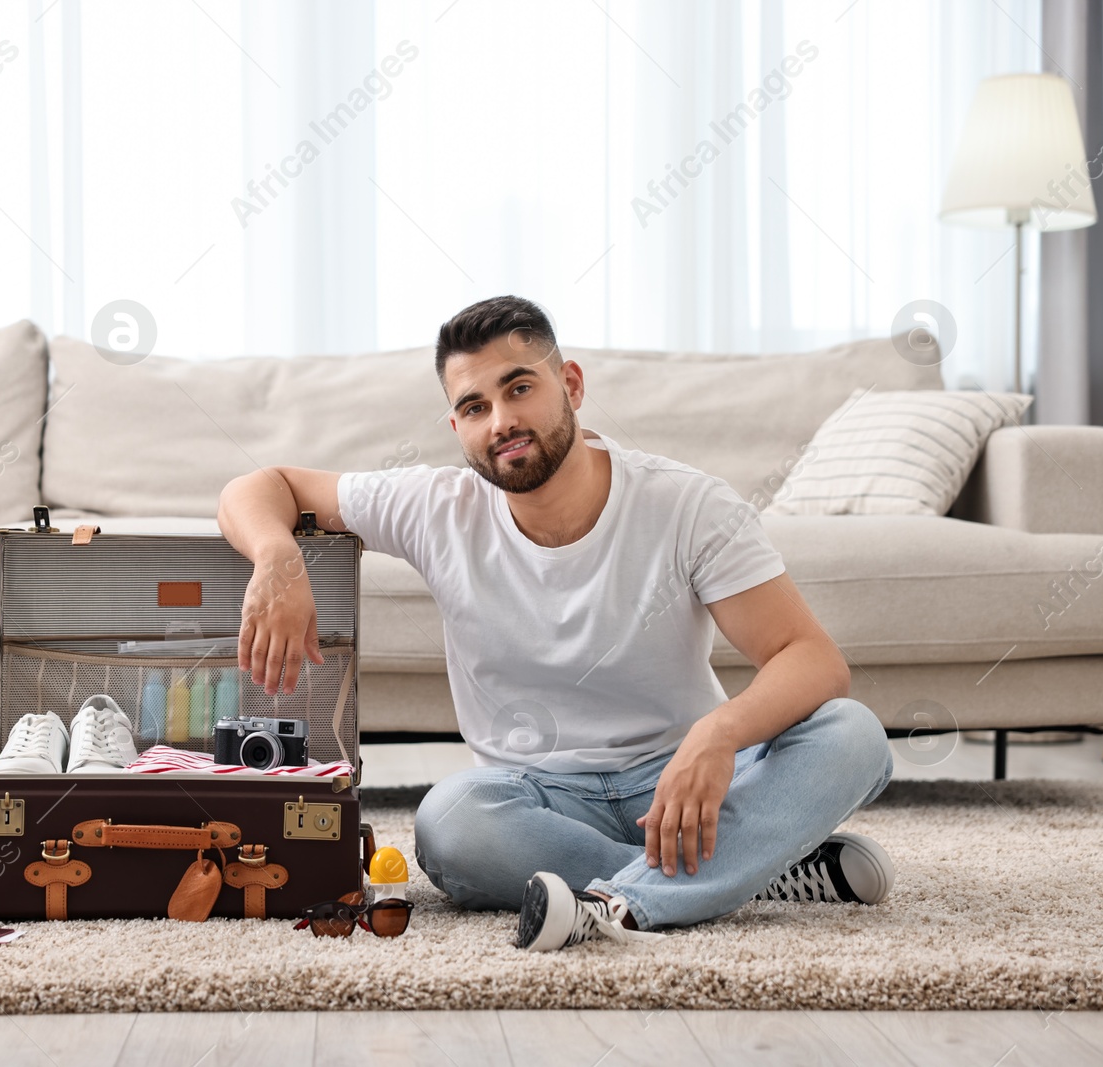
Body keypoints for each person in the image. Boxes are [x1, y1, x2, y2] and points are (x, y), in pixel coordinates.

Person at [215, 295, 894, 951]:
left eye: (519, 389)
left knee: (853, 733)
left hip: (683, 775)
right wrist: (277, 557)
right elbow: (260, 484)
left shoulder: (687, 504)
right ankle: (743, 866)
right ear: (458, 430)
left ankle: (628, 900)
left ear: (569, 383)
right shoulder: (435, 505)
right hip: (539, 797)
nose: (501, 421)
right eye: (474, 407)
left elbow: (812, 658)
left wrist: (718, 735)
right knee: (451, 823)